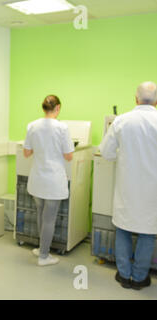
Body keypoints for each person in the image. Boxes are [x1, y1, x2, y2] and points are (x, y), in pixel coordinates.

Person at [99, 81, 157, 290]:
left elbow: (105, 152)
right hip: (152, 191)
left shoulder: (122, 121)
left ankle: (124, 275)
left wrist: (123, 157)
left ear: (135, 98)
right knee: (148, 232)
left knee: (123, 229)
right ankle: (140, 277)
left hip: (127, 188)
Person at [23, 95, 74, 266]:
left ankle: (40, 248)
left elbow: (26, 153)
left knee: (40, 213)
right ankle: (44, 256)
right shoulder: (62, 128)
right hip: (53, 180)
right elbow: (68, 156)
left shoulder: (32, 126)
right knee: (49, 218)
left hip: (38, 178)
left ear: (43, 107)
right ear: (57, 108)